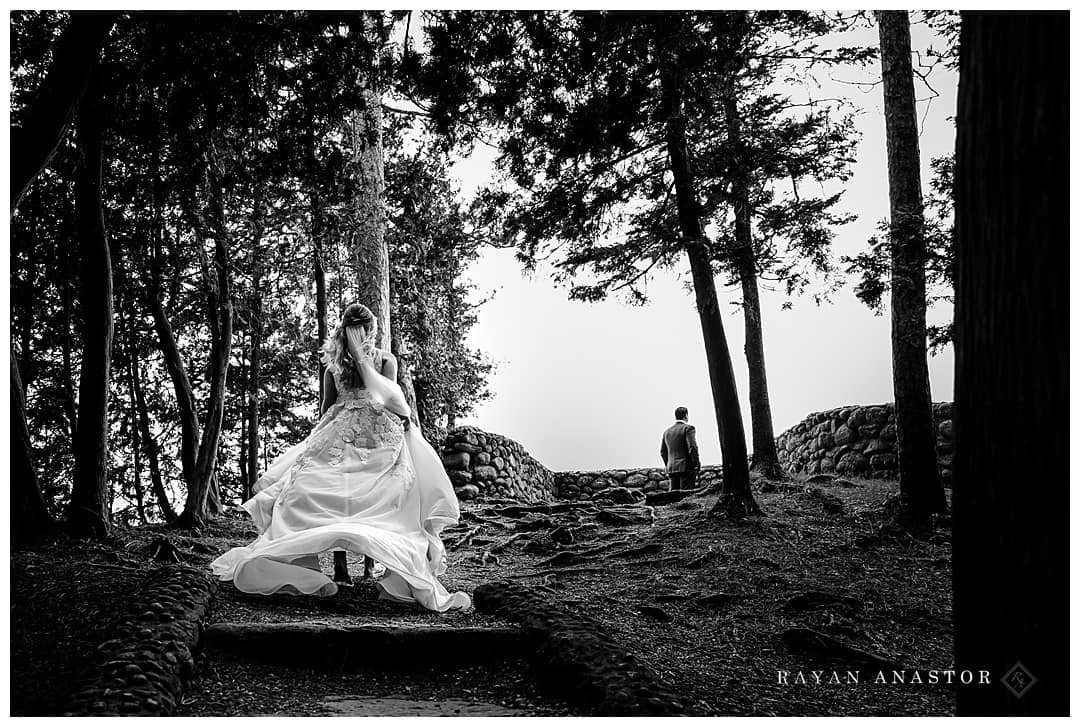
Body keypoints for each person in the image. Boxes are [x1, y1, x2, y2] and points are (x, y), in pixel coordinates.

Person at [211, 303, 471, 611]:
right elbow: (387, 397)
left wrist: (318, 440)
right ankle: (372, 567)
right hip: (377, 436)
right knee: (380, 495)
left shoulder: (334, 366)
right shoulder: (386, 361)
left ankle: (339, 565)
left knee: (333, 493)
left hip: (340, 432)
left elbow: (327, 408)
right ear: (371, 331)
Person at [660, 406, 700, 491]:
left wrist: (669, 464)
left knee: (673, 497)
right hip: (686, 468)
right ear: (686, 416)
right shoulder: (688, 428)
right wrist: (696, 463)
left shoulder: (666, 432)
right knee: (686, 496)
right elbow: (692, 447)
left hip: (671, 468)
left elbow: (663, 452)